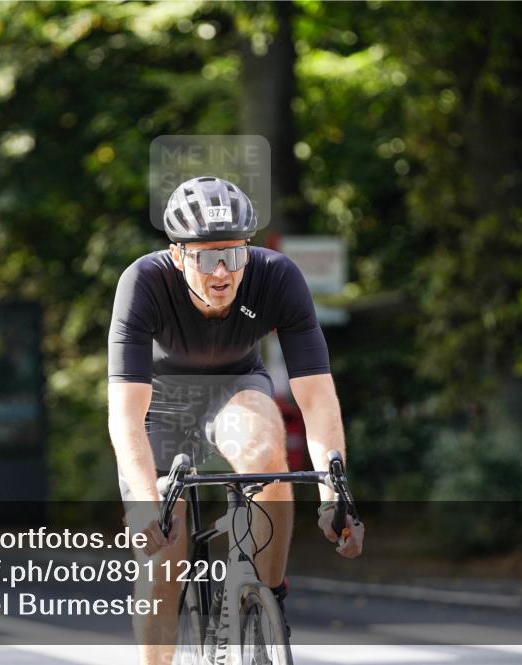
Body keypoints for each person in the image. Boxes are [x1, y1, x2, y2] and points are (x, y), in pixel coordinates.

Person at [107, 175, 364, 665]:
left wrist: (335, 496)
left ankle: (265, 601)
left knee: (268, 457)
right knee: (163, 561)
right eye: (207, 258)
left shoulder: (277, 276)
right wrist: (144, 506)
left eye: (234, 253)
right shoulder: (142, 282)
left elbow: (316, 397)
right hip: (160, 404)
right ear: (177, 255)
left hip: (236, 388)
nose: (222, 271)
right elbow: (126, 414)